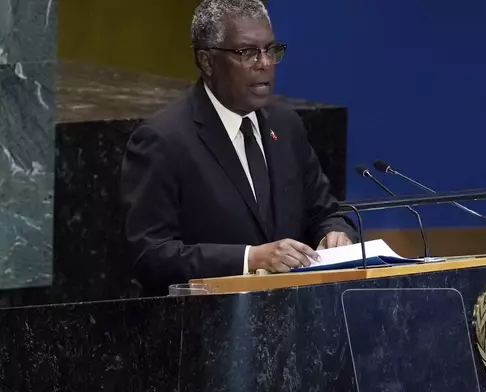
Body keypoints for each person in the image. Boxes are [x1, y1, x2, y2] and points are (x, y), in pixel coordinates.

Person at [120, 0, 358, 295]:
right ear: (207, 61)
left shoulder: (286, 126)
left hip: (293, 322)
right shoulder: (163, 139)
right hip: (204, 326)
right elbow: (151, 256)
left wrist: (335, 233)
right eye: (247, 52)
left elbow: (325, 211)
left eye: (271, 50)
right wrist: (250, 258)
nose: (265, 63)